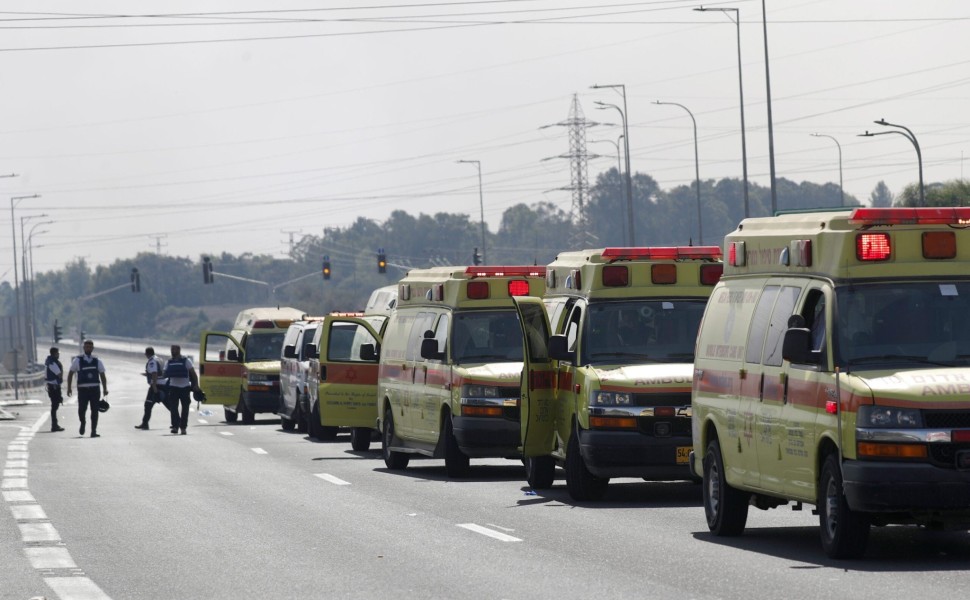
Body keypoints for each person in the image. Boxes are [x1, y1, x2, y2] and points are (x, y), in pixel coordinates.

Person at [66, 339, 108, 438]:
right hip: (83, 390)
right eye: (86, 346)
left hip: (95, 390)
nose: (88, 348)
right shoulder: (77, 360)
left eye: (90, 347)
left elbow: (102, 375)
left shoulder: (97, 361)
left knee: (95, 411)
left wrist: (105, 388)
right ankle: (83, 423)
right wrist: (69, 388)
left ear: (92, 348)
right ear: (84, 348)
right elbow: (71, 373)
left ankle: (93, 431)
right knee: (81, 410)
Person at [164, 344, 200, 435]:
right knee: (173, 409)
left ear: (179, 350)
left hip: (185, 388)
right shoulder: (168, 361)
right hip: (173, 387)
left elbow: (193, 373)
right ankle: (175, 427)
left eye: (174, 350)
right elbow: (164, 373)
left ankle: (183, 427)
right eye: (171, 349)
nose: (172, 351)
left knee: (185, 409)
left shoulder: (186, 360)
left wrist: (196, 385)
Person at [135, 347, 166, 430]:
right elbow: (158, 372)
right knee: (169, 405)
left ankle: (145, 424)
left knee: (148, 405)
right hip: (163, 384)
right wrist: (147, 374)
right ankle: (178, 422)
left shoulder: (152, 361)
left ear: (147, 354)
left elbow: (155, 373)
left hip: (156, 385)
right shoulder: (160, 359)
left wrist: (154, 387)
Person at [44, 347, 65, 432]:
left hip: (52, 386)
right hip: (54, 387)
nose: (59, 355)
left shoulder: (50, 361)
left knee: (55, 405)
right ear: (54, 353)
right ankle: (54, 425)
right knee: (55, 406)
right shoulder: (52, 363)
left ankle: (55, 424)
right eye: (58, 353)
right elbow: (59, 374)